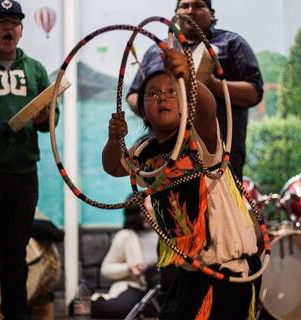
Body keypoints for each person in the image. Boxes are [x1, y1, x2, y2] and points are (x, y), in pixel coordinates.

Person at [103, 48, 260, 319]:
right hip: (187, 270)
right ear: (142, 111)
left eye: (171, 91)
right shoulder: (144, 151)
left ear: (187, 102)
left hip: (227, 268)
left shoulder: (200, 138)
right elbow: (114, 166)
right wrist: (113, 140)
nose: (162, 96)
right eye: (152, 93)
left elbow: (208, 109)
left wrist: (187, 78)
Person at [127, 0, 264, 182]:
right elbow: (134, 94)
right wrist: (152, 106)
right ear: (176, 12)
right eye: (184, 6)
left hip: (220, 151)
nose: (190, 11)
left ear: (212, 13)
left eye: (199, 5)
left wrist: (211, 83)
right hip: (164, 156)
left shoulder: (232, 43)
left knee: (222, 207)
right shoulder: (156, 50)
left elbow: (254, 92)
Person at [0, 1, 59, 319]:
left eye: (14, 21)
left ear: (22, 30)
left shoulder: (36, 69)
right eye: (0, 21)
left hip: (24, 174)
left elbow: (47, 124)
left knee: (16, 255)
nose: (8, 27)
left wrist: (44, 116)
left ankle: (17, 314)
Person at [70, 195, 159, 319]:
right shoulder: (126, 236)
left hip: (158, 289)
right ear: (139, 208)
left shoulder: (165, 234)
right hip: (134, 287)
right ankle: (80, 304)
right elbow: (106, 270)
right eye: (150, 201)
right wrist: (129, 268)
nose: (157, 202)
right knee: (120, 310)